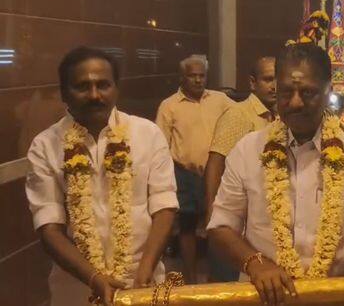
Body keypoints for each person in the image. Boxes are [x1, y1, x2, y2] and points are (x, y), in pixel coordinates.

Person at [207, 43, 344, 305]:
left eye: (308, 92)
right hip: (264, 298)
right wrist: (256, 264)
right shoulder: (248, 151)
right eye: (287, 92)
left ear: (329, 92)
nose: (295, 102)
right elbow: (221, 225)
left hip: (332, 298)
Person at [25, 47, 177, 306]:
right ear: (64, 92)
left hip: (143, 283)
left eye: (103, 85)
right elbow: (49, 227)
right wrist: (94, 277)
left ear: (116, 88)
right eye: (82, 87)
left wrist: (145, 270)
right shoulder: (45, 146)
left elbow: (164, 207)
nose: (94, 95)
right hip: (75, 289)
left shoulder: (147, 134)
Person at [156, 56, 233, 283]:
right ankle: (189, 280)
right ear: (182, 77)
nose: (198, 80)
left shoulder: (221, 100)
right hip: (185, 175)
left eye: (202, 75)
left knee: (217, 223)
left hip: (219, 173)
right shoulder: (169, 106)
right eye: (193, 76)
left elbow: (242, 116)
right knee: (187, 228)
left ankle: (216, 279)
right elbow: (160, 145)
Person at [204, 56, 277, 282]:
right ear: (253, 83)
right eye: (268, 79)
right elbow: (215, 163)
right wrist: (213, 217)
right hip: (235, 220)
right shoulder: (239, 114)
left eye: (278, 79)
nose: (274, 86)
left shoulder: (280, 117)